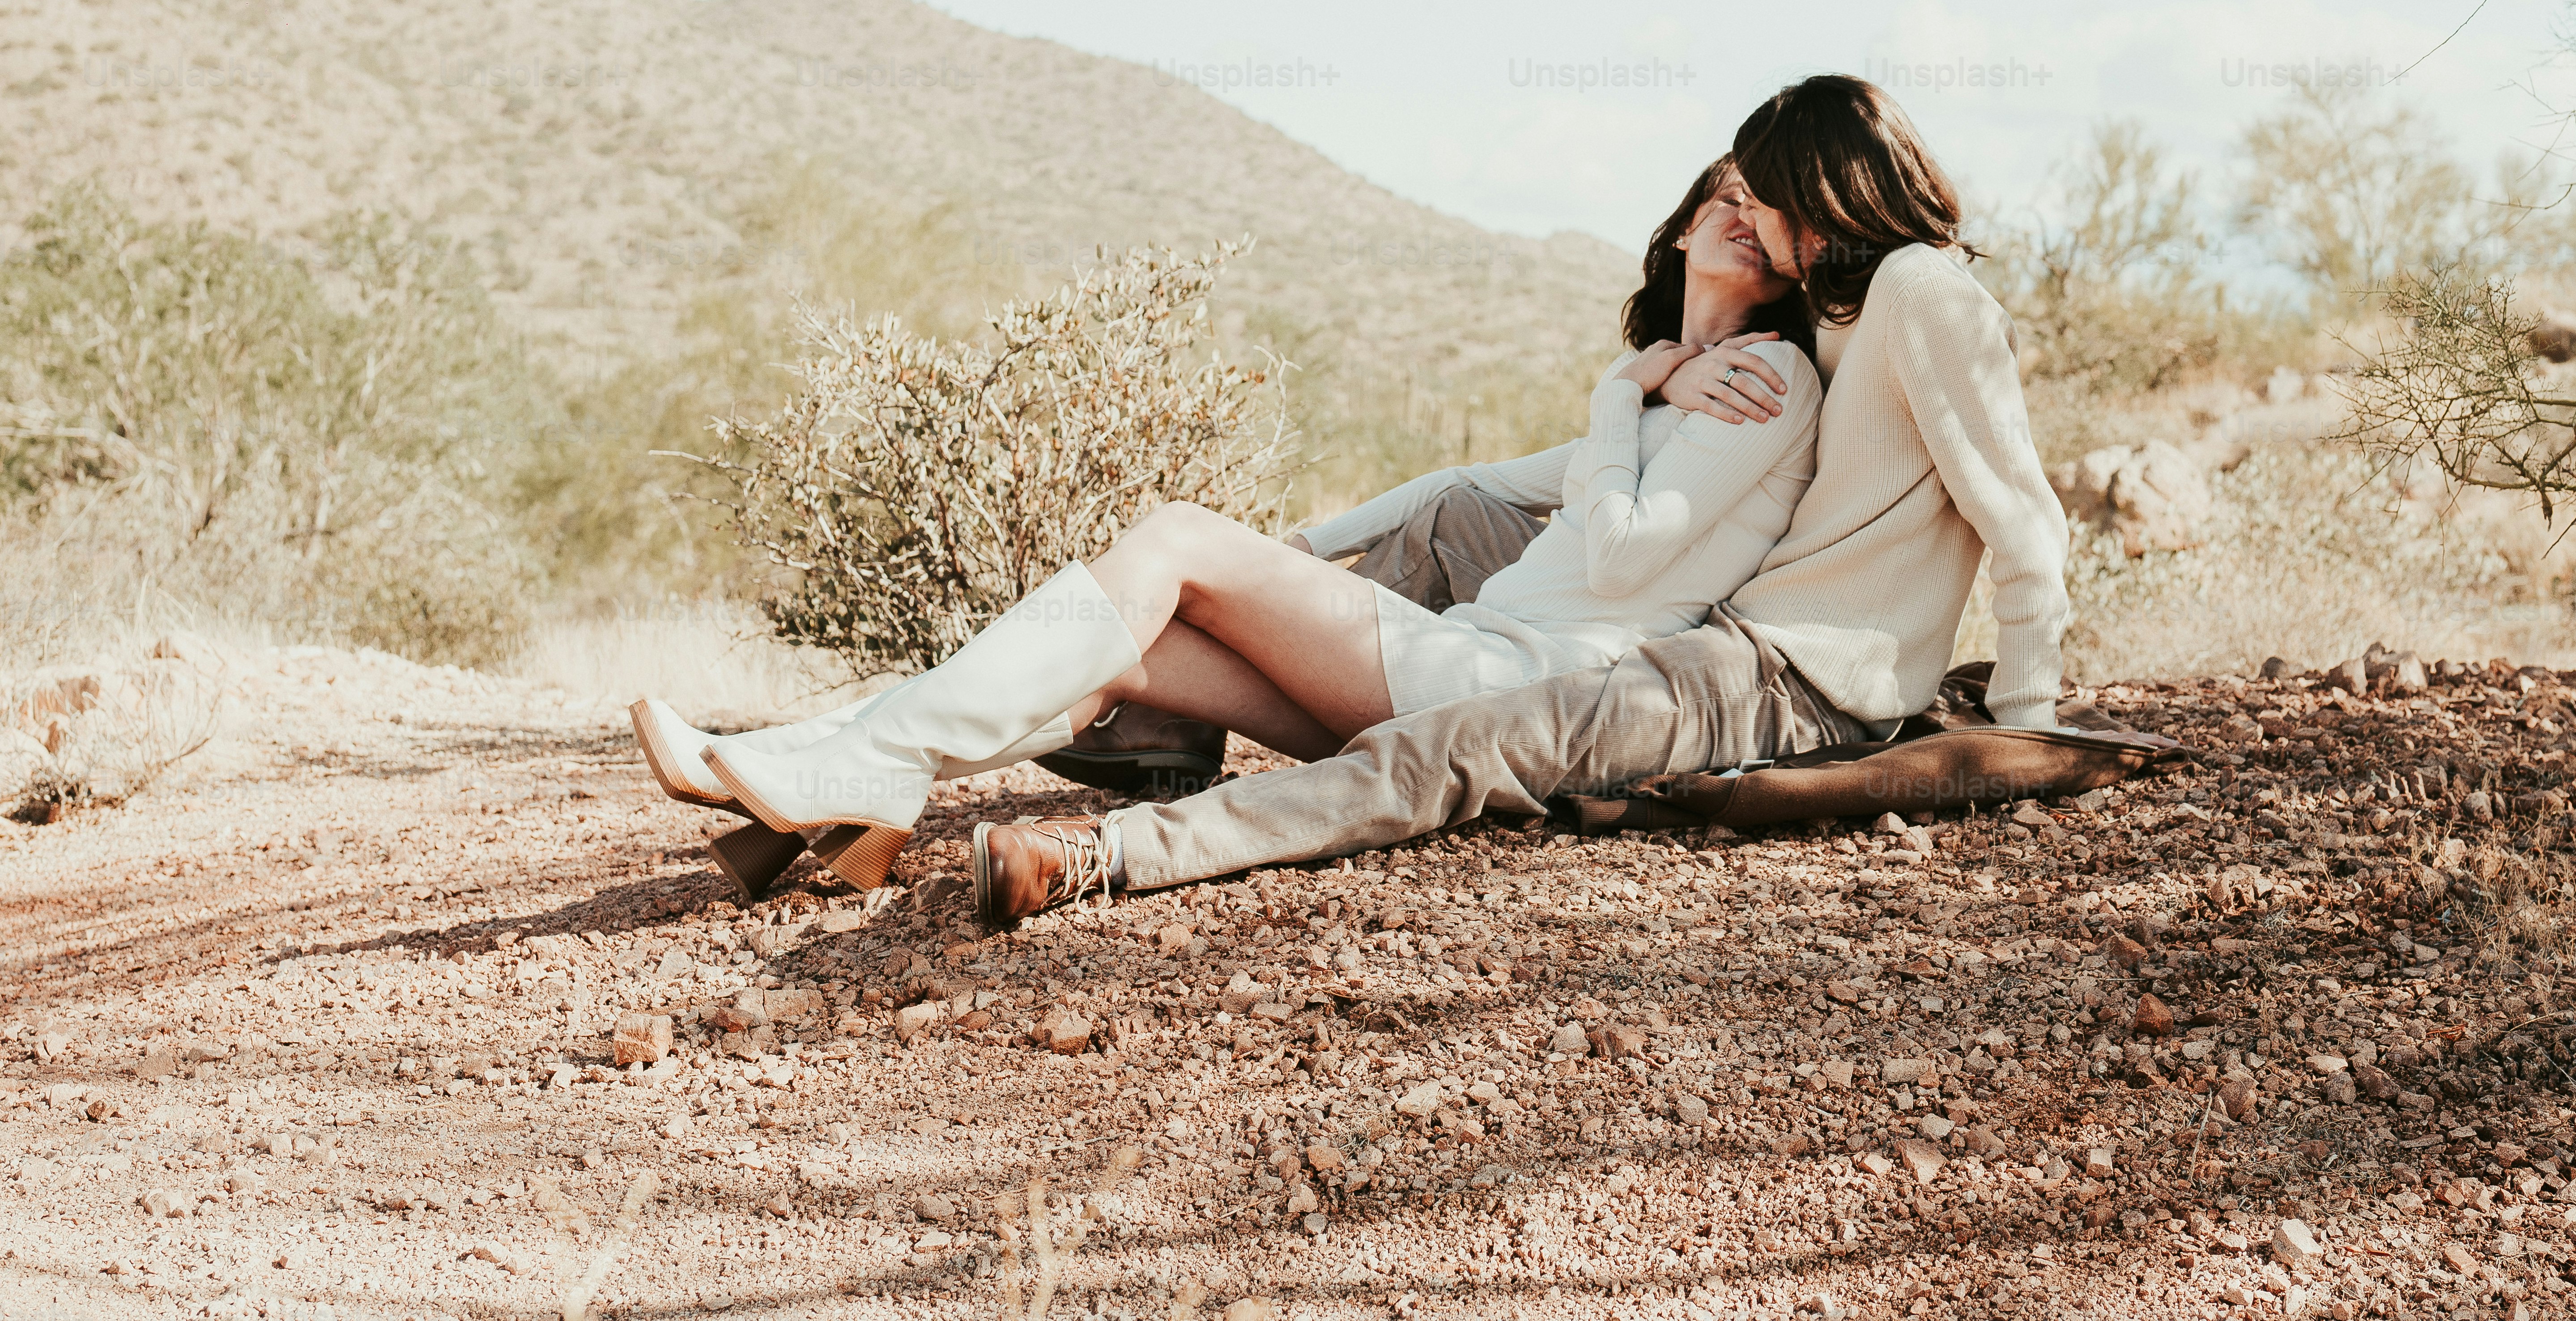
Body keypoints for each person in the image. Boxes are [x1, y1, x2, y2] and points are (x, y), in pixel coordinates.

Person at [970, 72, 2073, 925]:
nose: (1756, 217)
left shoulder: (1929, 294)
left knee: (1459, 748)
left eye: (1767, 193)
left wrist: (2027, 729)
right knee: (1447, 631)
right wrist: (1655, 383)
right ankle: (968, 748)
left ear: (1817, 195)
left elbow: (2021, 519)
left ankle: (1112, 856)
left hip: (1788, 684)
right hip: (1734, 648)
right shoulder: (1850, 309)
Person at [624, 157, 1822, 893]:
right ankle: (837, 764)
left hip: (1519, 689)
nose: (1738, 217)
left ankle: (856, 767)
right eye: (1721, 196)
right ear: (1675, 228)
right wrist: (1296, 558)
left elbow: (1615, 547)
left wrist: (1628, 393)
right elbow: (1478, 479)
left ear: (1783, 262)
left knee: (1174, 539)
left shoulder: (1759, 383)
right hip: (1464, 671)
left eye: (1760, 214)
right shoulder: (1670, 384)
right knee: (1134, 641)